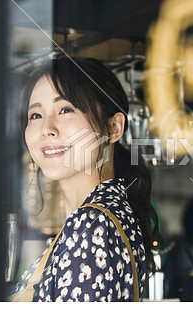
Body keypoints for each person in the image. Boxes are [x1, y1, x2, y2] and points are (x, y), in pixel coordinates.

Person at [12, 57, 159, 301]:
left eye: (66, 110)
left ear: (113, 128)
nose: (47, 128)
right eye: (35, 115)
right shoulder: (101, 216)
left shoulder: (91, 224)